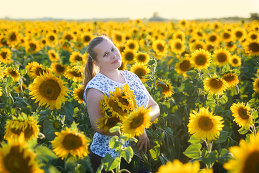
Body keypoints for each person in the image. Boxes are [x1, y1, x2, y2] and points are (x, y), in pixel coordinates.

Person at [83, 35, 160, 172]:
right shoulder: (95, 88)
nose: (113, 55)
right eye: (106, 54)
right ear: (96, 62)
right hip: (108, 159)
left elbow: (154, 107)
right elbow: (99, 127)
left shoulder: (131, 76)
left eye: (113, 49)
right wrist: (134, 129)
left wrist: (140, 125)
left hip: (134, 153)